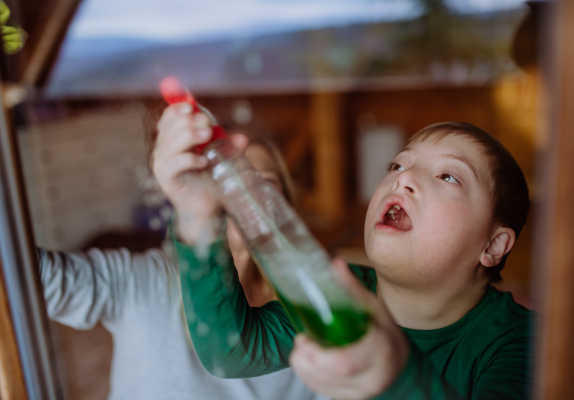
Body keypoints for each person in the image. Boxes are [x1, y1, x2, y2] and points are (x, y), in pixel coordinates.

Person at [153, 103, 534, 400]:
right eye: (398, 163)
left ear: (493, 245)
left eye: (448, 175)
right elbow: (232, 351)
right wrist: (198, 218)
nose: (403, 177)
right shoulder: (342, 291)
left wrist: (390, 377)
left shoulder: (525, 342)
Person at [39, 118, 327, 400]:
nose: (243, 192)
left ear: (285, 206)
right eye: (224, 177)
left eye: (263, 182)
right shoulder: (144, 280)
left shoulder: (309, 310)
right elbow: (34, 279)